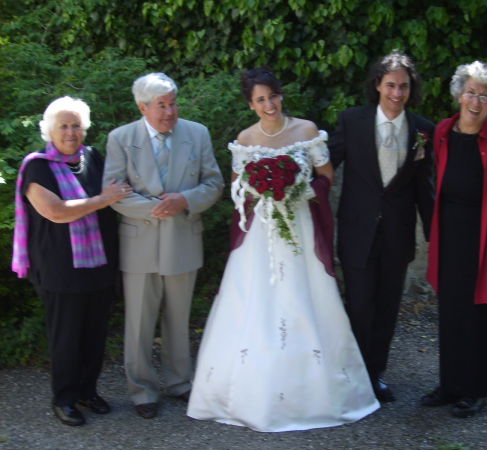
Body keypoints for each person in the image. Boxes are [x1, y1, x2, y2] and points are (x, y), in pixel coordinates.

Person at [186, 67, 379, 432]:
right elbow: (237, 186)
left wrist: (297, 191)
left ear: (281, 95)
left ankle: (320, 391)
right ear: (251, 104)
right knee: (256, 300)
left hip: (300, 226)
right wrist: (259, 190)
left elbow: (327, 175)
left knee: (305, 296)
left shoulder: (306, 131)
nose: (269, 105)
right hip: (261, 233)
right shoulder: (245, 139)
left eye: (273, 96)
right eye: (260, 100)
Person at [103, 73, 224, 419]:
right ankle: (142, 391)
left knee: (178, 317)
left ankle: (179, 382)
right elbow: (114, 191)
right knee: (139, 322)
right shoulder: (121, 138)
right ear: (142, 107)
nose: (170, 112)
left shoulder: (197, 133)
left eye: (173, 104)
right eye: (162, 105)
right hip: (139, 244)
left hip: (183, 240)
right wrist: (159, 208)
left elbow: (213, 183)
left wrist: (184, 200)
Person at [12, 96, 132, 426]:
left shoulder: (93, 157)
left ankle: (87, 391)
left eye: (76, 125)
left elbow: (119, 192)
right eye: (63, 126)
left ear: (85, 129)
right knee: (66, 338)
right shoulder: (37, 166)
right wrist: (102, 199)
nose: (70, 132)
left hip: (99, 264)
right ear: (50, 130)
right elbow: (56, 211)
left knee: (94, 335)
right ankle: (64, 399)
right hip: (60, 267)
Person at [421, 61, 487, 417]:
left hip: (486, 234)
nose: (476, 101)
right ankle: (450, 385)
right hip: (449, 231)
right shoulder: (443, 131)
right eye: (471, 92)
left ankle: (476, 389)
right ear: (459, 94)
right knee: (451, 308)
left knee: (481, 311)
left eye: (485, 95)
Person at [329, 51, 435, 402]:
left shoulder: (423, 130)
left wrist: (435, 235)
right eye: (390, 85)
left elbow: (424, 189)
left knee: (387, 308)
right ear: (377, 85)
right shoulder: (352, 121)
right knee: (359, 306)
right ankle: (353, 374)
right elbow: (325, 166)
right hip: (357, 231)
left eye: (404, 86)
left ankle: (375, 375)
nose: (397, 93)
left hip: (397, 235)